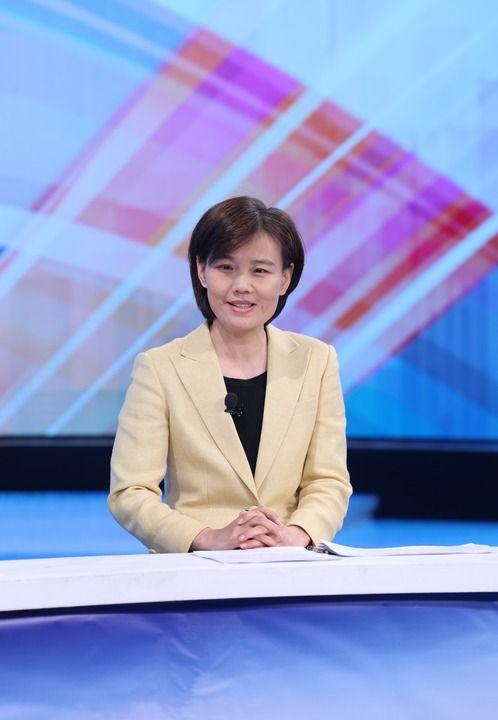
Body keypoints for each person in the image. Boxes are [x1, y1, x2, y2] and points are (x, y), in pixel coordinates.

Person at [108, 196, 352, 553]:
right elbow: (130, 492)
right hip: (197, 568)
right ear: (201, 271)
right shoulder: (160, 368)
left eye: (260, 271)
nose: (241, 285)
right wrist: (207, 538)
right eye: (225, 267)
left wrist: (296, 535)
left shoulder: (317, 362)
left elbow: (328, 481)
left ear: (285, 278)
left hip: (290, 564)